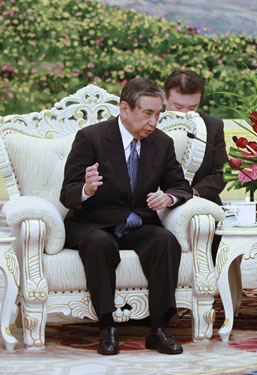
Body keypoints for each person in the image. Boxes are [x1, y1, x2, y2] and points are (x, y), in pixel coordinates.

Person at [60, 77, 193, 356]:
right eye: (147, 114)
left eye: (158, 114)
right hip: (94, 223)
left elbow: (180, 186)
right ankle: (107, 327)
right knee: (99, 243)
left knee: (165, 241)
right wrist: (86, 188)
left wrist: (168, 198)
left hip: (138, 223)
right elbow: (67, 192)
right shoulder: (91, 138)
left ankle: (158, 327)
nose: (154, 122)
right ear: (124, 109)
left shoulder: (162, 143)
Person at [164, 70, 228, 259]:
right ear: (165, 98)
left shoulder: (212, 126)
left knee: (216, 230)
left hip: (200, 201)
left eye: (192, 108)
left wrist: (193, 194)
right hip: (158, 201)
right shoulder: (150, 124)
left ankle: (216, 286)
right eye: (178, 107)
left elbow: (221, 172)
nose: (185, 114)